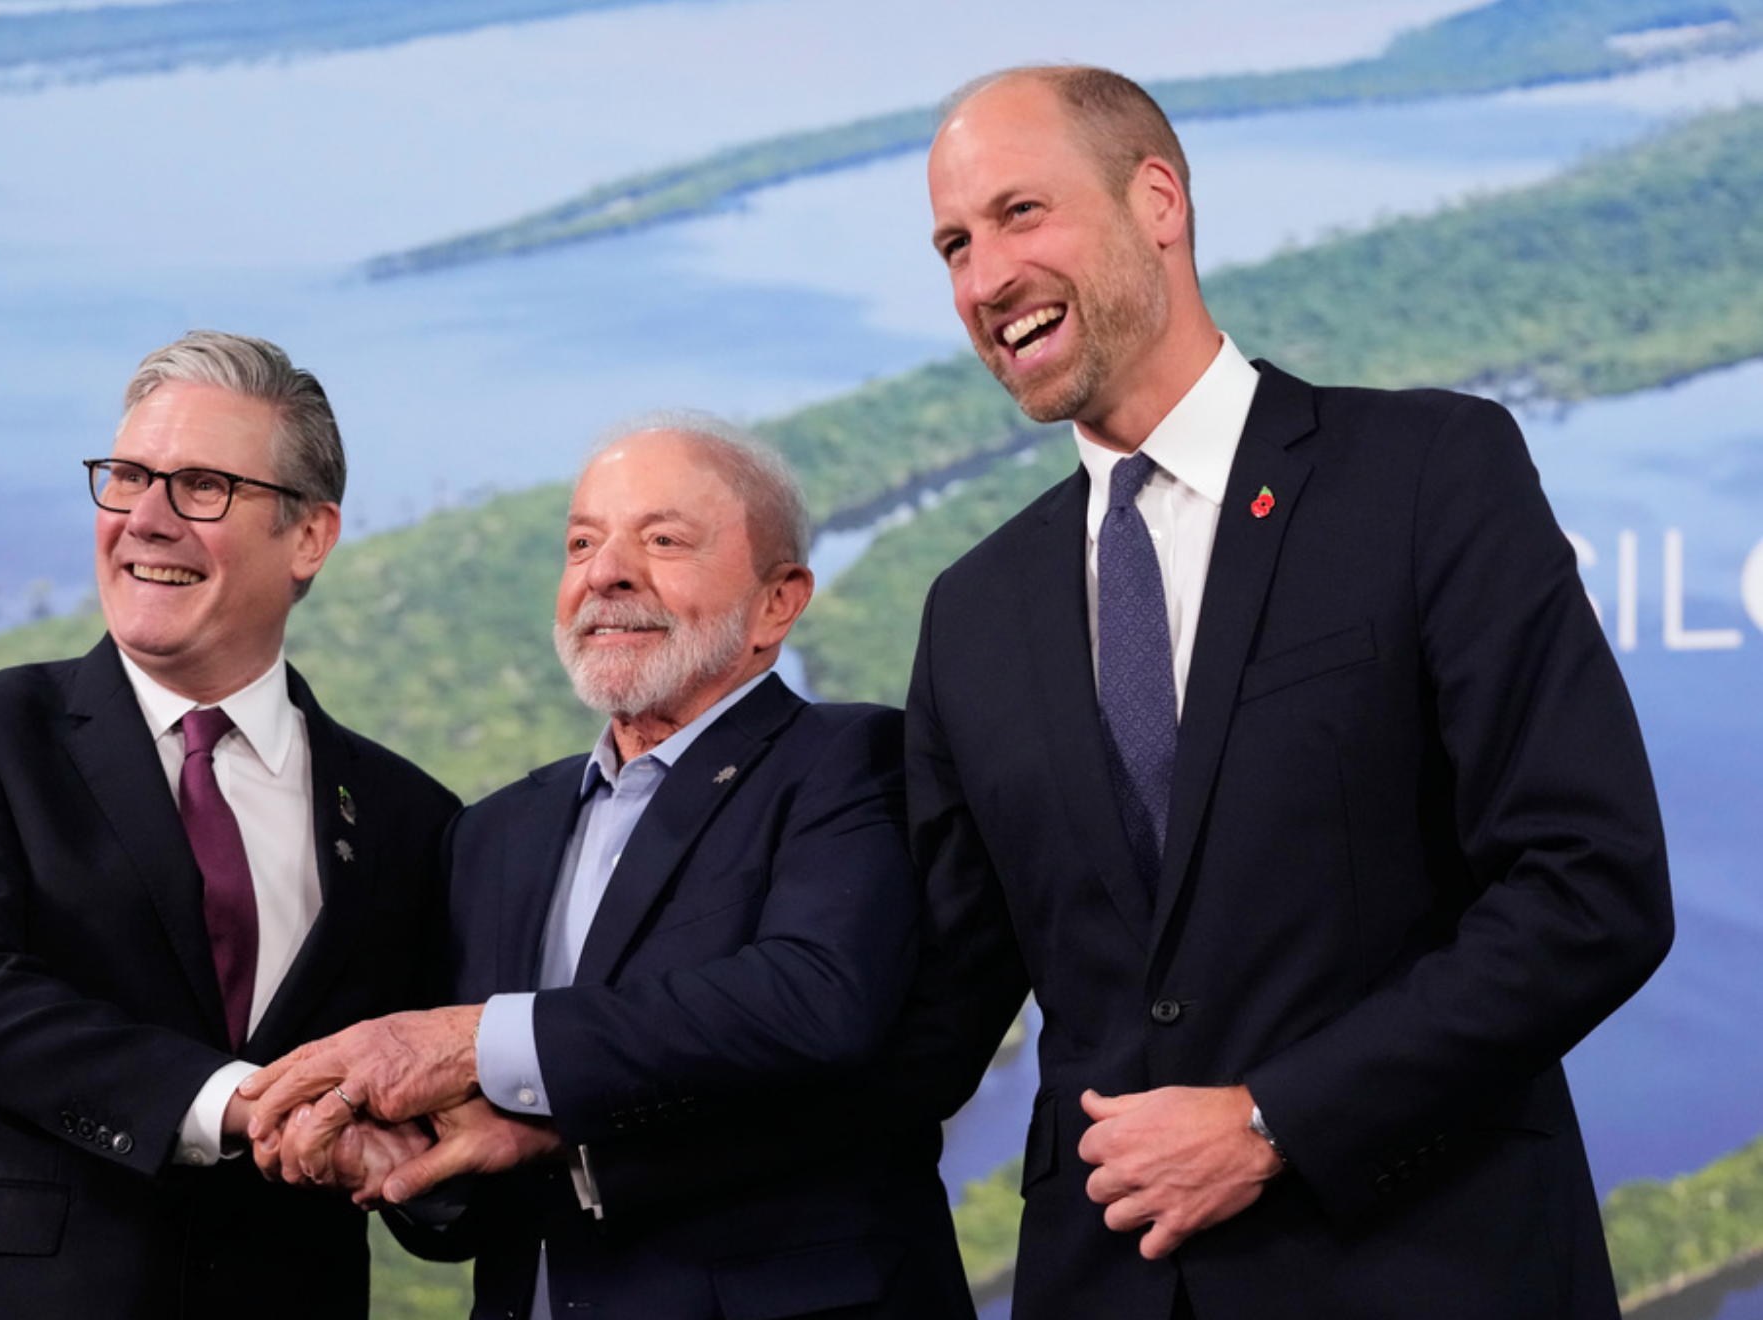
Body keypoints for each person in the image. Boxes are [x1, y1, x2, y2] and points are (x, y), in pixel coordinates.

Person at [899, 65, 1674, 1319]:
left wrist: (1273, 1120)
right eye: (952, 245)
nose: (984, 281)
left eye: (1020, 215)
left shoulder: (1428, 474)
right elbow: (920, 1027)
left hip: (1432, 1273)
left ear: (1158, 199)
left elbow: (1593, 887)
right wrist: (551, 1095)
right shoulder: (970, 615)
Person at [240, 414, 974, 1320]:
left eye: (662, 540)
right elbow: (472, 1195)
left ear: (778, 601)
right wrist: (410, 1168)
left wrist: (475, 1043)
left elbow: (815, 1001)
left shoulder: (853, 760)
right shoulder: (494, 833)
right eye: (581, 542)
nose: (606, 571)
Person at [0, 331, 461, 1320]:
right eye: (127, 477)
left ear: (310, 535)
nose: (147, 519)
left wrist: (447, 1165)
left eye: (202, 486)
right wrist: (239, 1103)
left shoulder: (407, 817)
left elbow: (433, 1126)